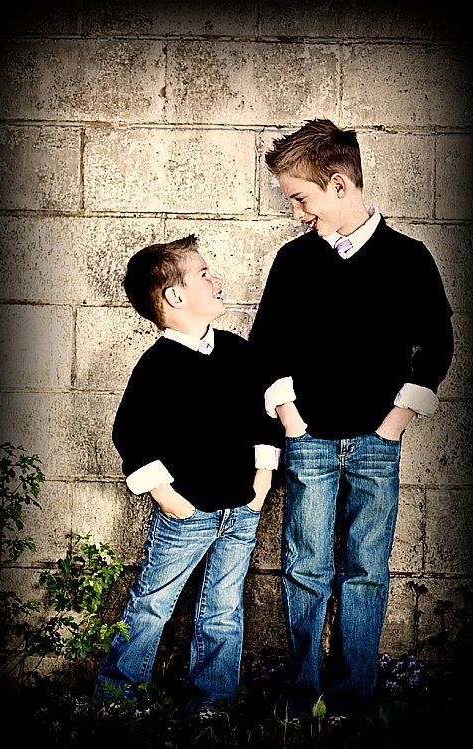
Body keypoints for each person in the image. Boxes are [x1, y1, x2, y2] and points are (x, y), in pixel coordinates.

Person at [248, 118, 454, 720]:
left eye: (300, 199)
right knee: (306, 566)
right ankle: (300, 693)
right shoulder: (293, 261)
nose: (296, 214)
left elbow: (437, 343)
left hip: (375, 442)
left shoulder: (408, 258)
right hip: (309, 441)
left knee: (366, 570)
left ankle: (352, 700)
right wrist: (290, 419)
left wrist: (393, 423)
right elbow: (267, 345)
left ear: (339, 185)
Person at [95, 234, 281, 713]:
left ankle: (212, 705)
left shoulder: (239, 354)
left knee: (222, 610)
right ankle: (116, 700)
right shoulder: (157, 366)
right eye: (203, 274)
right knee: (152, 605)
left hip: (241, 510)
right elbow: (131, 434)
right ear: (175, 297)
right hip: (187, 514)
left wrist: (261, 483)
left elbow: (265, 417)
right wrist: (166, 495)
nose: (215, 280)